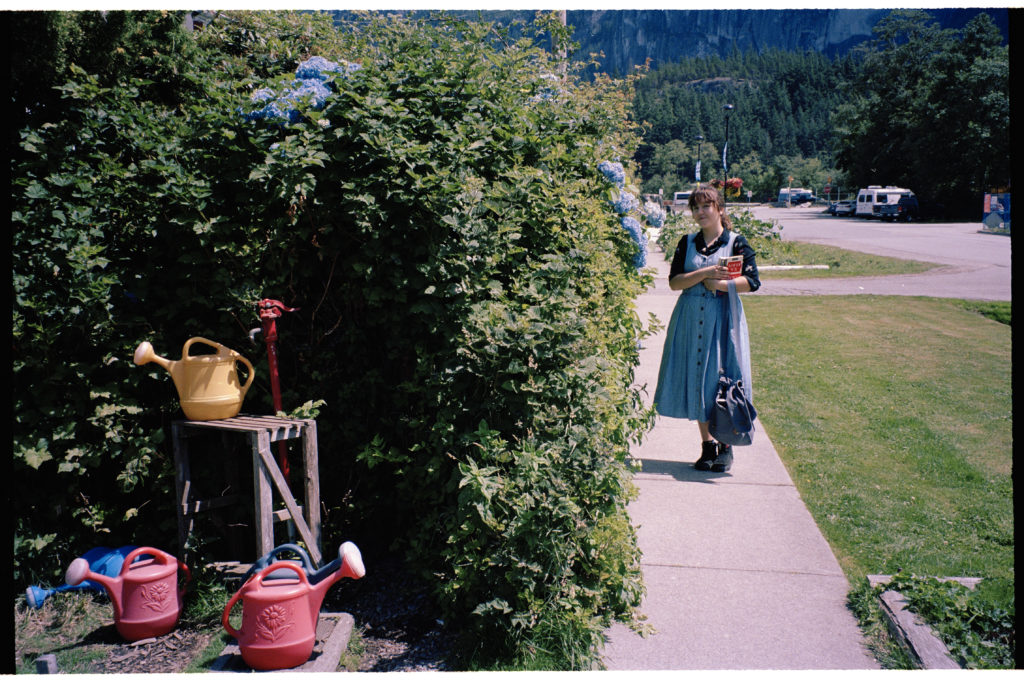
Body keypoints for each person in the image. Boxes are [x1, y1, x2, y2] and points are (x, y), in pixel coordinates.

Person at [653, 185, 760, 472]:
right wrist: (704, 273)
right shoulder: (686, 242)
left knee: (719, 381)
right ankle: (707, 446)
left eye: (706, 206)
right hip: (689, 319)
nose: (700, 212)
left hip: (722, 319)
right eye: (696, 208)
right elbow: (675, 282)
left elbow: (752, 282)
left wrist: (721, 284)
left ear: (719, 209)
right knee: (697, 379)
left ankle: (725, 446)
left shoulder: (736, 242)